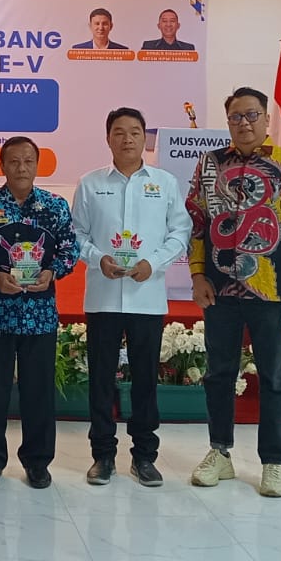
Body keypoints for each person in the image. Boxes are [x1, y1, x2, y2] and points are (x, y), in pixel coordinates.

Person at [186, 86, 281, 498]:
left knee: (274, 377)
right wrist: (197, 275)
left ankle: (274, 463)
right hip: (220, 290)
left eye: (251, 115)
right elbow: (196, 224)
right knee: (219, 374)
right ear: (227, 121)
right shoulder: (209, 164)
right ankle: (220, 452)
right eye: (235, 117)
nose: (243, 123)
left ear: (266, 119)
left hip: (272, 290)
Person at [71, 106, 191, 487]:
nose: (127, 139)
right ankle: (103, 455)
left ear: (144, 139)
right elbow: (76, 235)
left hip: (147, 297)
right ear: (108, 138)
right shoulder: (90, 184)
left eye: (135, 132)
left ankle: (144, 456)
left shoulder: (165, 183)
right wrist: (97, 258)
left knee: (145, 380)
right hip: (103, 296)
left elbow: (180, 232)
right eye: (119, 132)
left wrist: (152, 264)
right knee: (101, 379)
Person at [0, 136, 77, 490]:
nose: (21, 168)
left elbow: (70, 249)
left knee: (38, 391)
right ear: (2, 166)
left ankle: (38, 462)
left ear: (37, 165)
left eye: (28, 161)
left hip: (39, 315)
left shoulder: (54, 207)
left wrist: (52, 271)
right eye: (14, 162)